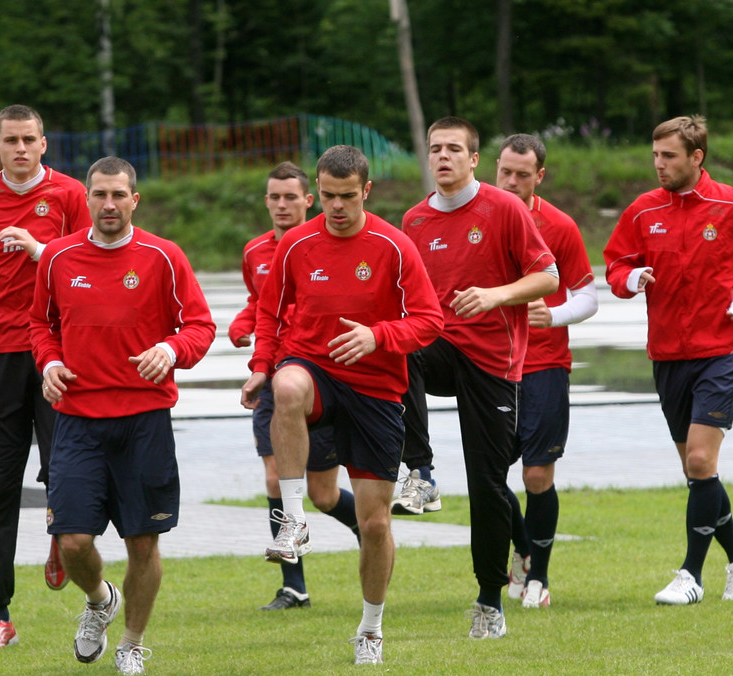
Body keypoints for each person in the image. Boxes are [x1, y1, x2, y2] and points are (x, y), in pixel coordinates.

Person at [240, 145, 443, 665]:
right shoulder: (295, 245)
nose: (336, 207)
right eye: (327, 196)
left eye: (347, 197)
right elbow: (270, 309)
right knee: (287, 388)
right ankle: (292, 519)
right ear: (318, 191)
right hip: (314, 369)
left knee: (375, 525)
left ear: (366, 191)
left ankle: (371, 628)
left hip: (375, 388)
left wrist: (378, 337)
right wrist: (262, 365)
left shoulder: (394, 246)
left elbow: (429, 320)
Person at [31, 156, 215, 674]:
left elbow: (199, 327)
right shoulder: (58, 258)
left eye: (118, 195)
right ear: (85, 199)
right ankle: (98, 600)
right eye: (98, 195)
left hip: (144, 420)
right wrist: (50, 362)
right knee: (71, 541)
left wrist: (171, 351)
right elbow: (40, 325)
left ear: (135, 199)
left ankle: (132, 643)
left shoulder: (163, 256)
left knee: (142, 541)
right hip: (78, 420)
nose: (108, 204)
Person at [603, 115, 733, 607]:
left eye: (669, 156)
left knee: (701, 459)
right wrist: (630, 279)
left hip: (723, 350)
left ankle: (691, 574)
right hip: (667, 354)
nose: (659, 164)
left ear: (697, 157)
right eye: (655, 156)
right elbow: (615, 263)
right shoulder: (642, 210)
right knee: (698, 471)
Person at [0, 104, 91, 650]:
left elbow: (90, 262)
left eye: (30, 139)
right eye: (12, 140)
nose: (22, 148)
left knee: (66, 474)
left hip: (57, 354)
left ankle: (59, 536)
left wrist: (41, 250)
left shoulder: (73, 195)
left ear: (44, 144)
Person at [399, 116, 558, 638]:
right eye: (434, 148)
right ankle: (420, 473)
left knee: (488, 483)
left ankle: (490, 600)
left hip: (494, 361)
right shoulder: (414, 221)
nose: (442, 156)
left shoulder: (504, 208)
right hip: (441, 347)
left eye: (453, 149)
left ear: (473, 160)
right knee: (403, 351)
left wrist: (494, 295)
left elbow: (548, 275)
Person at [229, 162, 362, 610]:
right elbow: (262, 303)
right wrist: (244, 325)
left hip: (318, 379)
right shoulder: (254, 252)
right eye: (274, 197)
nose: (282, 205)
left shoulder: (322, 245)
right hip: (275, 376)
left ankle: (368, 524)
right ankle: (294, 585)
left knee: (323, 494)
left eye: (291, 197)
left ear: (310, 200)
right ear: (266, 201)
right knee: (273, 477)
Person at [494, 133, 598, 609]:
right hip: (488, 365)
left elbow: (588, 295)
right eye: (505, 171)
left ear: (540, 176)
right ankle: (522, 549)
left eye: (522, 174)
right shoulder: (475, 218)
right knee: (491, 475)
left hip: (543, 365)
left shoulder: (558, 225)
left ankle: (541, 576)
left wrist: (552, 316)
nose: (511, 181)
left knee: (537, 475)